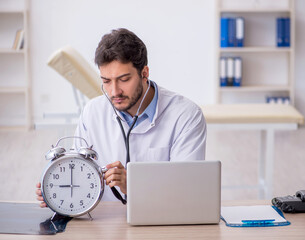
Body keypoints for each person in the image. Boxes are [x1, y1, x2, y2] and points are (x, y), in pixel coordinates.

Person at [36, 28, 207, 205]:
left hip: (162, 223)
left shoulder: (186, 115)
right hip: (106, 221)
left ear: (144, 73)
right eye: (106, 81)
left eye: (124, 79)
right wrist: (59, 190)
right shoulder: (93, 112)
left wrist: (134, 185)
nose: (114, 91)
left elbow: (188, 191)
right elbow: (79, 174)